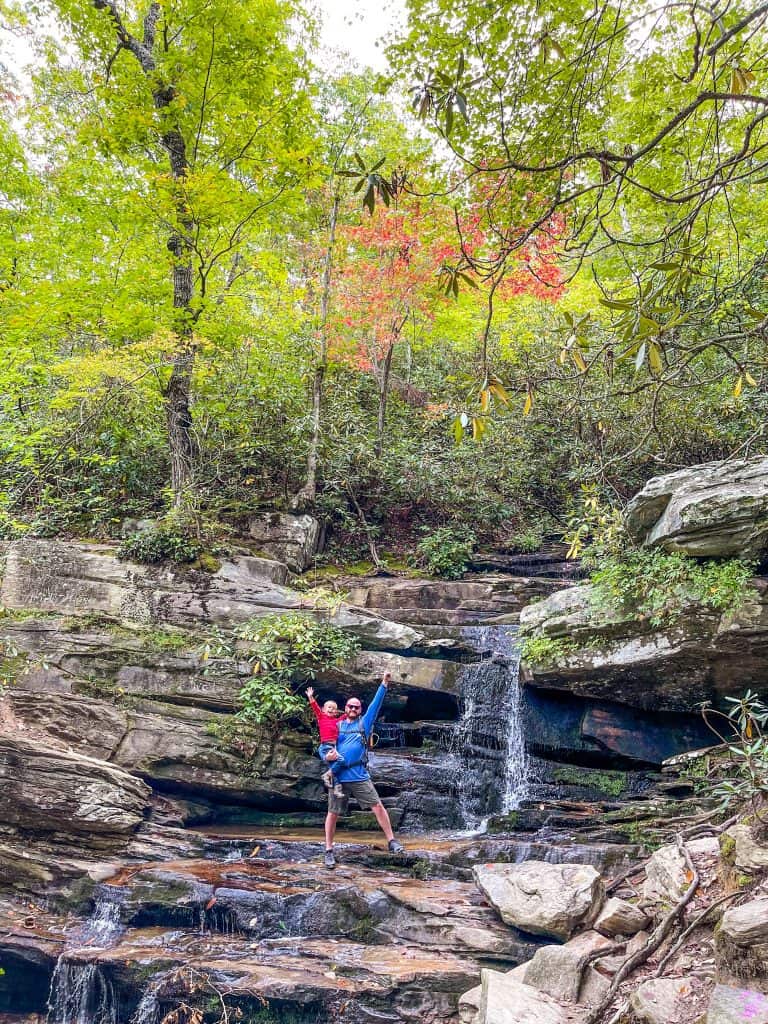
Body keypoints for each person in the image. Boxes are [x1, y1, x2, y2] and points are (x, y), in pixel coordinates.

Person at [322, 670, 404, 868]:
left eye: (356, 707)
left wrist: (384, 683)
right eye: (350, 706)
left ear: (360, 710)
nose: (353, 709)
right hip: (339, 776)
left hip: (358, 774)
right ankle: (329, 850)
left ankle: (392, 841)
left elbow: (376, 705)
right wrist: (325, 756)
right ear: (345, 708)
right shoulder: (336, 725)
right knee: (333, 812)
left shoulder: (364, 724)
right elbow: (324, 744)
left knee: (377, 805)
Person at [305, 685, 345, 797]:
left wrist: (351, 709)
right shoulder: (321, 717)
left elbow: (346, 716)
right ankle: (326, 775)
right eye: (329, 707)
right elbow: (315, 707)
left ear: (336, 712)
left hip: (333, 747)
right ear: (323, 709)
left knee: (335, 769)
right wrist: (310, 697)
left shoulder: (337, 721)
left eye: (334, 708)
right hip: (326, 746)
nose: (331, 709)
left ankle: (336, 789)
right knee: (341, 761)